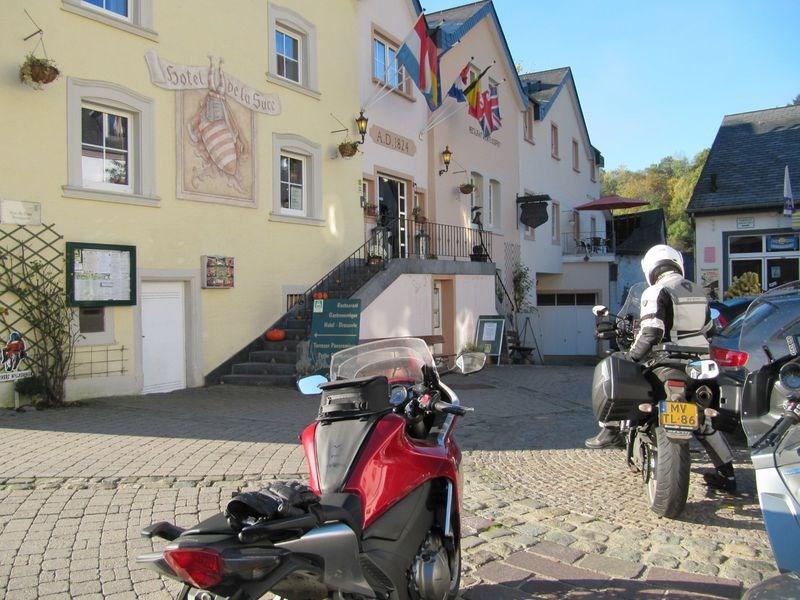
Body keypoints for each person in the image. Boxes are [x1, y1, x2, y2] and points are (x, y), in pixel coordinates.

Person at [585, 244, 737, 493]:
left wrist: (632, 356)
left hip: (666, 362)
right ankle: (728, 475)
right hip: (698, 366)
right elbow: (710, 330)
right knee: (704, 423)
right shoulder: (698, 291)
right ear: (677, 263)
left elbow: (652, 330)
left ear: (650, 269)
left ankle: (611, 429)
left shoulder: (656, 291)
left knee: (620, 372)